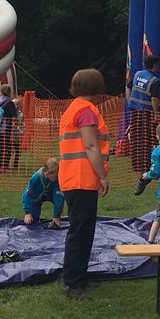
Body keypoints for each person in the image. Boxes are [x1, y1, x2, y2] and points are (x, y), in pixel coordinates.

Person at [57, 68, 109, 301]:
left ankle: (76, 276)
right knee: (81, 231)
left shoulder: (73, 108)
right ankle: (72, 283)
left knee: (81, 230)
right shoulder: (87, 111)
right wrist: (102, 176)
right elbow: (90, 146)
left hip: (72, 178)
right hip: (82, 179)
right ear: (97, 88)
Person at [126, 55, 160, 177]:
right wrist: (156, 114)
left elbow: (128, 87)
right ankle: (146, 165)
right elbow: (153, 99)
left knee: (136, 137)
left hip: (134, 110)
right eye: (157, 64)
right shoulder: (154, 80)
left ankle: (136, 164)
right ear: (154, 65)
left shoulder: (137, 74)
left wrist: (130, 101)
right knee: (147, 138)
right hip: (146, 113)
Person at [21, 157, 65, 228]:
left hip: (51, 194)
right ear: (47, 174)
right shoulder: (35, 178)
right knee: (32, 221)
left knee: (60, 196)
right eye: (55, 176)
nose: (57, 177)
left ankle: (56, 219)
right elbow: (27, 195)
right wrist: (27, 212)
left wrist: (56, 216)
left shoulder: (56, 180)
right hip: (37, 196)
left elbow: (58, 198)